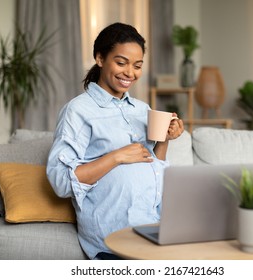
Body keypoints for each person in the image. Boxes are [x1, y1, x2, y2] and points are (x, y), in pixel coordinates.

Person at [46, 22, 184, 260]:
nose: (130, 73)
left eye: (137, 65)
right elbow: (60, 181)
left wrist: (165, 140)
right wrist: (117, 156)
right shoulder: (78, 111)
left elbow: (154, 168)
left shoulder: (142, 110)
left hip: (154, 231)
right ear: (100, 58)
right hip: (113, 240)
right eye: (121, 63)